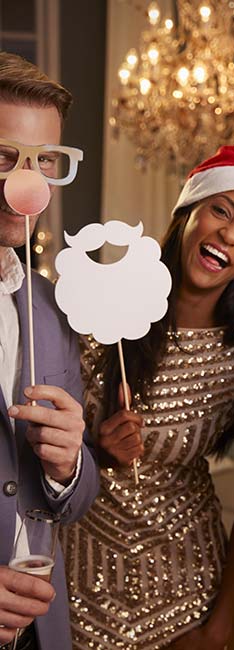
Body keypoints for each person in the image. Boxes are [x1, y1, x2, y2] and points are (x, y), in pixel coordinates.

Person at [62, 146, 234, 649]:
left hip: (185, 585)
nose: (230, 235)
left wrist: (223, 621)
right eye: (221, 210)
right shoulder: (100, 309)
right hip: (77, 572)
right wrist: (98, 453)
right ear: (187, 214)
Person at [0, 52, 99, 650]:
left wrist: (66, 467)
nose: (25, 181)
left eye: (43, 162)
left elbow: (78, 494)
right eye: (3, 158)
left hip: (41, 631)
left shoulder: (53, 309)